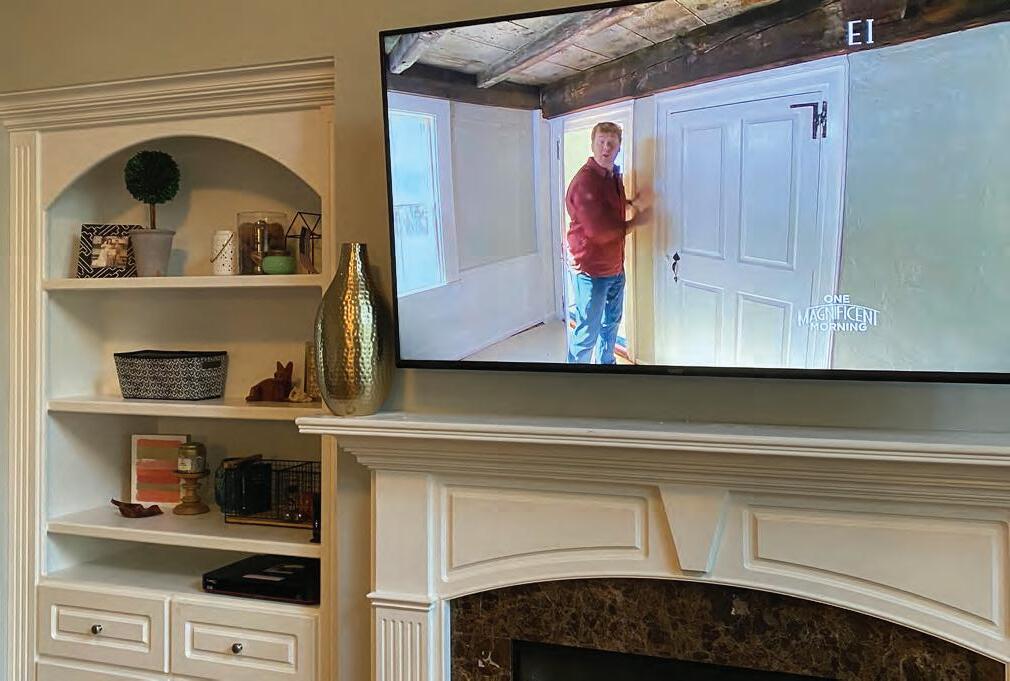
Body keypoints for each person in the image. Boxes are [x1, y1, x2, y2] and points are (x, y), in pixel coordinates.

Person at [565, 121, 648, 364]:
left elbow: (607, 206)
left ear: (619, 147)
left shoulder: (612, 175)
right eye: (601, 142)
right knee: (587, 333)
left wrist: (628, 202)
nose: (606, 147)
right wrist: (638, 222)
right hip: (590, 272)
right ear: (592, 145)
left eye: (612, 143)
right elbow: (599, 232)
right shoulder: (585, 181)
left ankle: (606, 368)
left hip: (615, 267)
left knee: (610, 323)